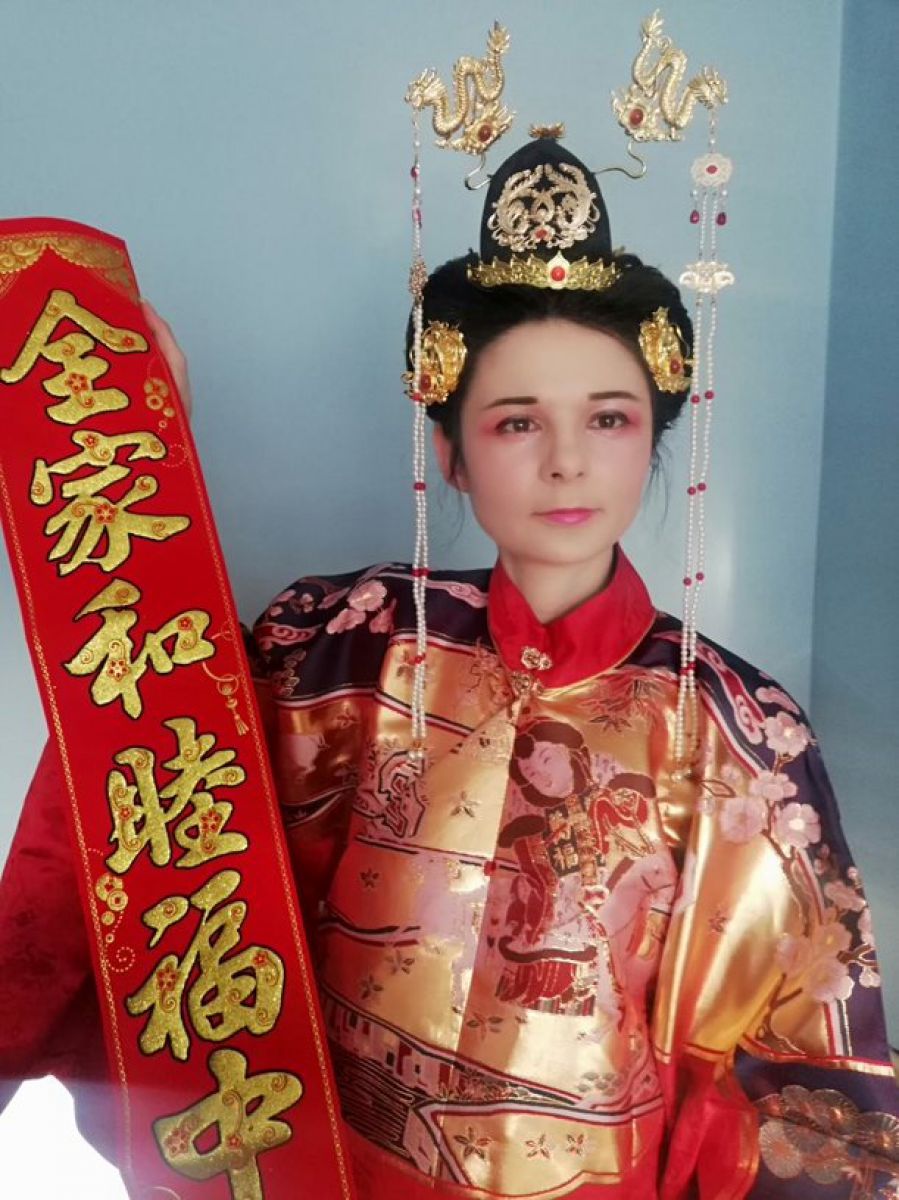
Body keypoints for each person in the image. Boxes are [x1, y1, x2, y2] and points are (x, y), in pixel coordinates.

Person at [1, 133, 897, 1199]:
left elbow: (800, 1066)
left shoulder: (739, 729)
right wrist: (144, 461)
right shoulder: (337, 641)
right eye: (516, 421)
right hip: (327, 1171)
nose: (566, 461)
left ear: (654, 439)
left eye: (607, 419)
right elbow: (151, 770)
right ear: (450, 453)